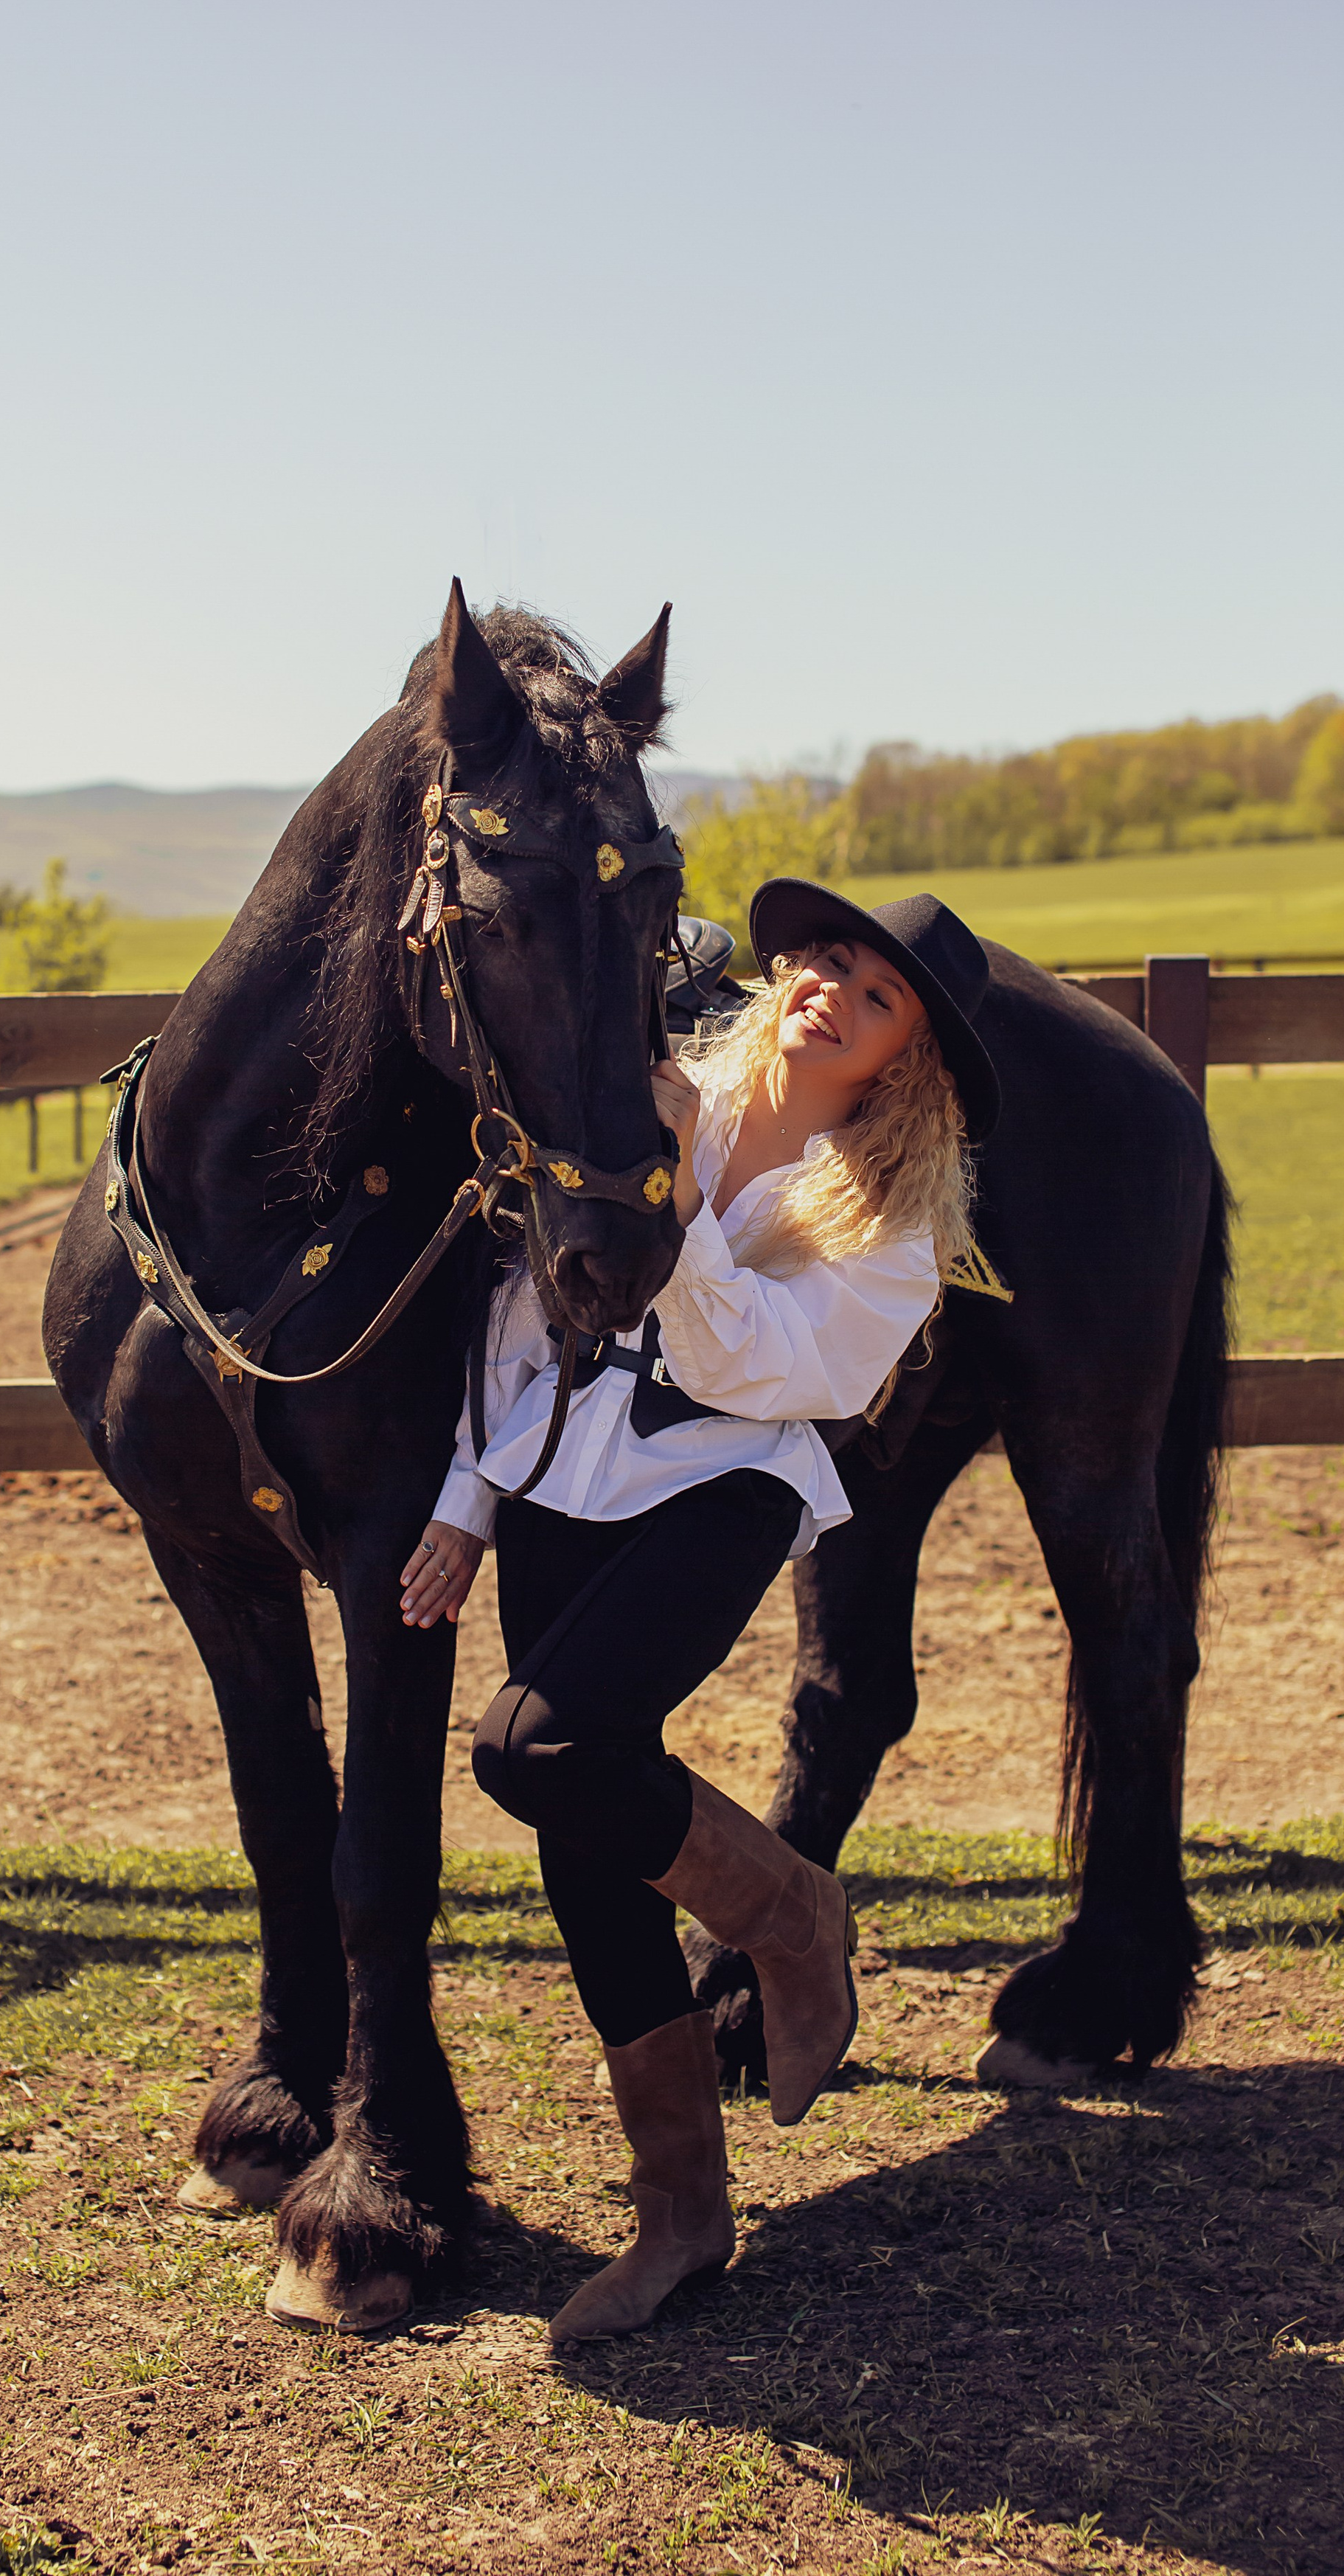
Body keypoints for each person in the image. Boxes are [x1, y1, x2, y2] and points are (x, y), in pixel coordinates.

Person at [399, 881, 1000, 2341]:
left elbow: (757, 1371)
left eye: (876, 999)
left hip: (715, 1488)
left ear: (901, 1055)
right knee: (579, 1834)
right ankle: (682, 2218)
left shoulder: (887, 1222)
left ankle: (788, 1913)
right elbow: (526, 1308)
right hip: (555, 1472)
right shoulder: (657, 1091)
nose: (833, 996)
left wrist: (675, 1199)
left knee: (531, 1750)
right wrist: (466, 1502)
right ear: (788, 966)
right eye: (829, 965)